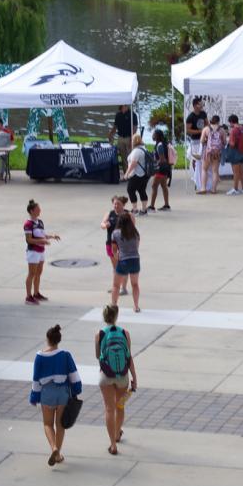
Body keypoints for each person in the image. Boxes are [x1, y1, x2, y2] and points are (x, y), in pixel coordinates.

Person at [30, 324, 81, 467]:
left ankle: (54, 448)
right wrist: (76, 389)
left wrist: (34, 397)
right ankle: (58, 454)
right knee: (60, 425)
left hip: (47, 393)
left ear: (47, 339)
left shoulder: (39, 356)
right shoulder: (65, 355)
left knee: (47, 424)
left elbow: (36, 379)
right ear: (59, 340)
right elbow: (74, 376)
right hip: (63, 392)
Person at [93, 304, 138, 455]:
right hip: (122, 376)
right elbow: (128, 357)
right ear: (116, 316)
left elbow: (97, 355)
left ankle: (113, 444)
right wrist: (134, 378)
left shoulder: (99, 334)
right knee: (120, 406)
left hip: (105, 375)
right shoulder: (125, 333)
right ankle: (118, 432)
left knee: (109, 408)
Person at [23, 200, 57, 304]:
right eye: (38, 209)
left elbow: (43, 234)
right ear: (32, 211)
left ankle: (36, 293)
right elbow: (28, 240)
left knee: (38, 273)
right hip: (33, 251)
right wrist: (41, 241)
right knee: (31, 273)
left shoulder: (40, 222)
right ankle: (28, 296)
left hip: (41, 251)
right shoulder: (28, 224)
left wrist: (51, 236)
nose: (40, 210)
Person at [110, 210, 143, 312]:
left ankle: (114, 305)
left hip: (123, 260)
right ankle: (136, 306)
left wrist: (116, 256)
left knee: (116, 285)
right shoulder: (135, 233)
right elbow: (137, 246)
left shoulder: (115, 233)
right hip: (135, 260)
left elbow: (114, 249)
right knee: (135, 284)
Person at [102, 195, 129, 296]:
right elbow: (102, 224)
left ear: (123, 204)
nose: (116, 206)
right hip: (110, 243)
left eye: (118, 204)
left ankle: (124, 288)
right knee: (115, 267)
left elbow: (132, 228)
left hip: (123, 245)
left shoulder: (127, 214)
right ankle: (116, 286)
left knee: (123, 266)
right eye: (114, 204)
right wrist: (105, 225)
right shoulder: (110, 213)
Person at [147, 129, 174, 211]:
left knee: (154, 186)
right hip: (166, 168)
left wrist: (155, 162)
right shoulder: (164, 144)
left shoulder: (159, 145)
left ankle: (151, 206)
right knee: (164, 186)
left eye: (154, 134)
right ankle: (166, 205)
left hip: (161, 168)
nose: (152, 136)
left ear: (157, 136)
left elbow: (162, 159)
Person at [224, 115, 243, 195]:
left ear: (231, 122)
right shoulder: (242, 128)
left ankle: (235, 189)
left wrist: (228, 141)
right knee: (242, 171)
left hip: (235, 153)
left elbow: (232, 144)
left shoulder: (234, 130)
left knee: (235, 172)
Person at [123, 133, 150, 215]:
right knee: (142, 190)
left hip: (136, 174)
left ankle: (135, 209)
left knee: (130, 190)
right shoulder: (144, 149)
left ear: (133, 141)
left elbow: (133, 164)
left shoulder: (136, 151)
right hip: (145, 174)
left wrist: (127, 173)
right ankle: (144, 210)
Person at [201, 115, 225, 194]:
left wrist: (206, 141)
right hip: (217, 153)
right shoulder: (222, 130)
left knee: (204, 169)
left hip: (208, 152)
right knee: (215, 171)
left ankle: (203, 188)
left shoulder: (206, 129)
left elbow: (201, 141)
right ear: (218, 121)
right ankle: (213, 189)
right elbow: (224, 142)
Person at [185, 97, 208, 178]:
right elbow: (188, 130)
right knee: (195, 159)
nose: (202, 105)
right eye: (199, 103)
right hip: (195, 141)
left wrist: (207, 131)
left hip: (204, 140)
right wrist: (200, 131)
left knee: (204, 158)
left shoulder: (203, 114)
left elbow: (207, 124)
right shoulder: (191, 117)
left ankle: (203, 176)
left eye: (201, 103)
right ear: (195, 105)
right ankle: (196, 177)